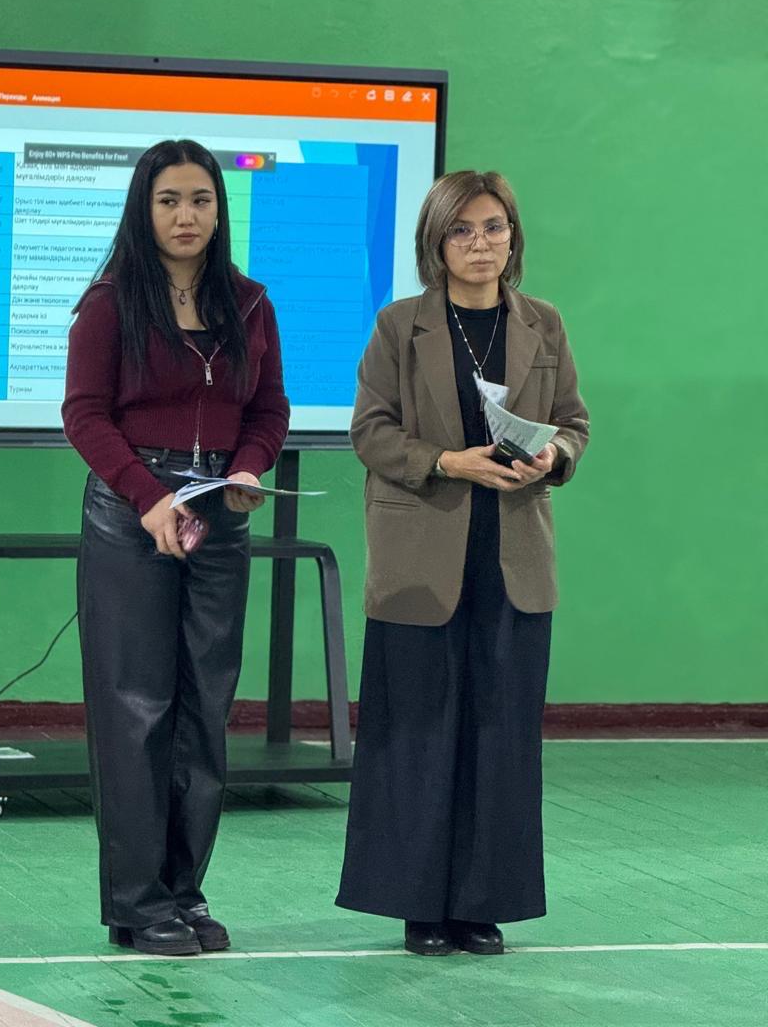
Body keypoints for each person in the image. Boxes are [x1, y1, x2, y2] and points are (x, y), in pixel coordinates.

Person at [336, 170, 589, 957]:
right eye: (462, 230)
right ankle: (419, 905)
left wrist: (554, 456)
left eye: (494, 227)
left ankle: (482, 904)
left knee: (500, 734)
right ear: (436, 243)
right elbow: (370, 431)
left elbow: (574, 424)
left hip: (514, 558)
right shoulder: (398, 325)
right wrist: (448, 461)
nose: (481, 243)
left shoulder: (543, 323)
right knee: (415, 734)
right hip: (421, 556)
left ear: (513, 237)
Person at [63, 139, 289, 957]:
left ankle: (185, 894)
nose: (186, 215)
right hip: (134, 512)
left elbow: (269, 409)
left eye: (200, 199)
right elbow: (85, 415)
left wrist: (250, 468)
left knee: (205, 710)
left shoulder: (249, 303)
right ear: (144, 209)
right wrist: (148, 497)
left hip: (219, 511)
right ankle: (137, 903)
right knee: (137, 709)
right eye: (168, 201)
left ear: (219, 210)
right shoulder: (110, 302)